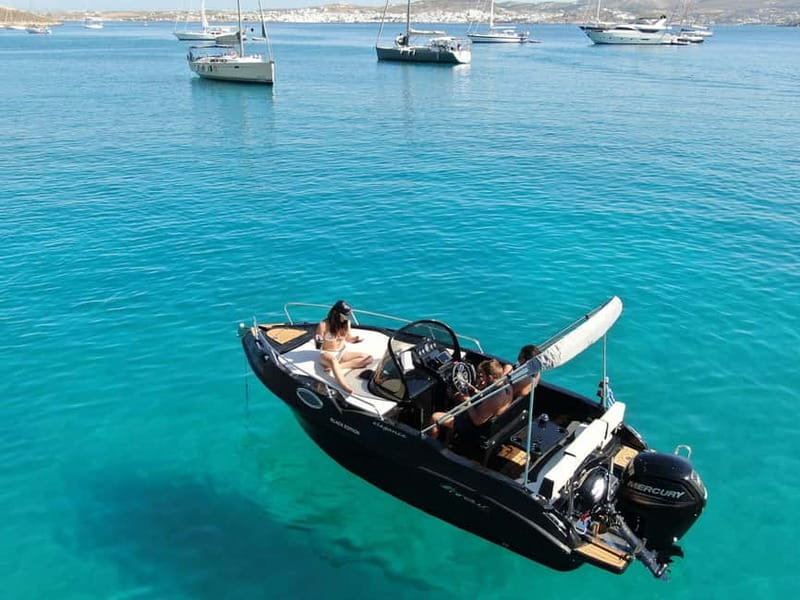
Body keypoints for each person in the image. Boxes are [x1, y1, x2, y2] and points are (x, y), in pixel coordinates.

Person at [430, 359, 513, 443]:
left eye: (482, 376)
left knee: (435, 417)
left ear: (490, 377)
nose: (481, 379)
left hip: (472, 424)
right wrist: (474, 390)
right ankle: (448, 441)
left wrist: (467, 401)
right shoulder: (505, 385)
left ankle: (432, 445)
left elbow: (477, 421)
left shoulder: (494, 399)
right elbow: (487, 400)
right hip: (484, 415)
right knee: (456, 402)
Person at [316, 300, 372, 395]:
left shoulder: (347, 323)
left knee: (369, 358)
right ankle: (345, 386)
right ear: (337, 314)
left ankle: (338, 367)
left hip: (342, 352)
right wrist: (318, 340)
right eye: (344, 316)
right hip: (327, 353)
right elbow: (318, 345)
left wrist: (355, 339)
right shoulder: (323, 325)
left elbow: (348, 339)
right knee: (333, 361)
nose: (346, 318)